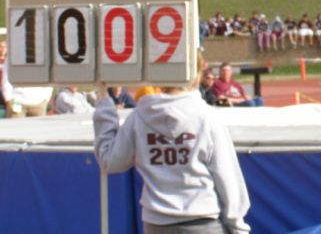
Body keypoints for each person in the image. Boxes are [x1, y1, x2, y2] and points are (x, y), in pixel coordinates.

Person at [93, 68, 251, 233]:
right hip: (203, 220)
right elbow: (227, 177)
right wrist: (238, 228)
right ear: (196, 77)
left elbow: (109, 161)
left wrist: (104, 101)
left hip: (157, 224)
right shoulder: (206, 117)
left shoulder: (139, 116)